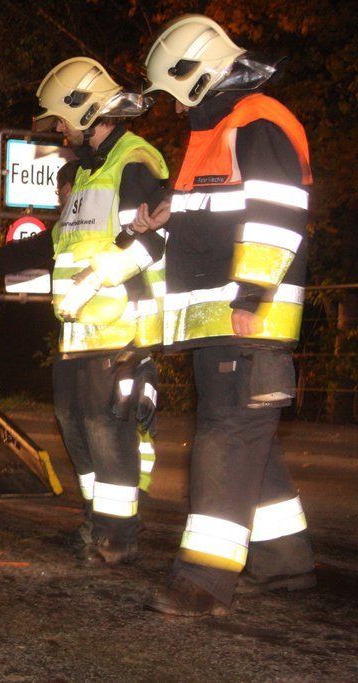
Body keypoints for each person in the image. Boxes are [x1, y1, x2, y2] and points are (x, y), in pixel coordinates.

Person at [0, 57, 167, 565]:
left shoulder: (133, 163)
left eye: (64, 122)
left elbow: (150, 243)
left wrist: (96, 283)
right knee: (78, 434)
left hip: (119, 331)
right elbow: (47, 248)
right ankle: (96, 524)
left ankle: (117, 537)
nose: (61, 133)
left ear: (87, 112)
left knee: (109, 437)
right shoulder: (87, 175)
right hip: (79, 336)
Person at [135, 14, 315, 616]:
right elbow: (214, 217)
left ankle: (203, 584)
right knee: (246, 438)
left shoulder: (257, 121)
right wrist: (169, 210)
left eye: (173, 90)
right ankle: (286, 563)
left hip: (248, 320)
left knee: (226, 439)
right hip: (223, 320)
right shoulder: (220, 130)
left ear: (196, 74)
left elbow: (278, 213)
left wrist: (251, 295)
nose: (172, 104)